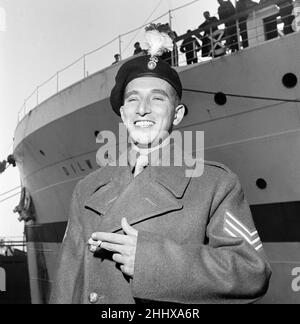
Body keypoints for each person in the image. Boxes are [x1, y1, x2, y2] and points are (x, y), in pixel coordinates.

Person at [50, 26, 271, 304]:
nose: (142, 109)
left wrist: (150, 262)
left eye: (157, 99)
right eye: (133, 100)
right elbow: (67, 282)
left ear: (177, 114)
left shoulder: (215, 184)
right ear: (123, 113)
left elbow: (251, 272)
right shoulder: (88, 188)